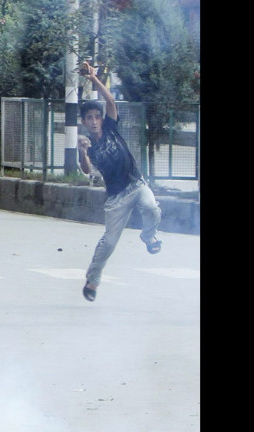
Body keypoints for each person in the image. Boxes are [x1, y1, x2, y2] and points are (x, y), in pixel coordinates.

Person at [78, 61, 162, 302]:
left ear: (102, 119)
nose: (94, 121)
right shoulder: (88, 145)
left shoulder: (112, 128)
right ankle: (92, 281)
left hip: (136, 184)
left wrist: (94, 79)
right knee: (109, 242)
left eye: (97, 117)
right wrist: (82, 151)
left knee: (151, 207)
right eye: (89, 118)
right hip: (116, 198)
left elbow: (111, 102)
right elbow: (86, 170)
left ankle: (149, 236)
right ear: (84, 122)